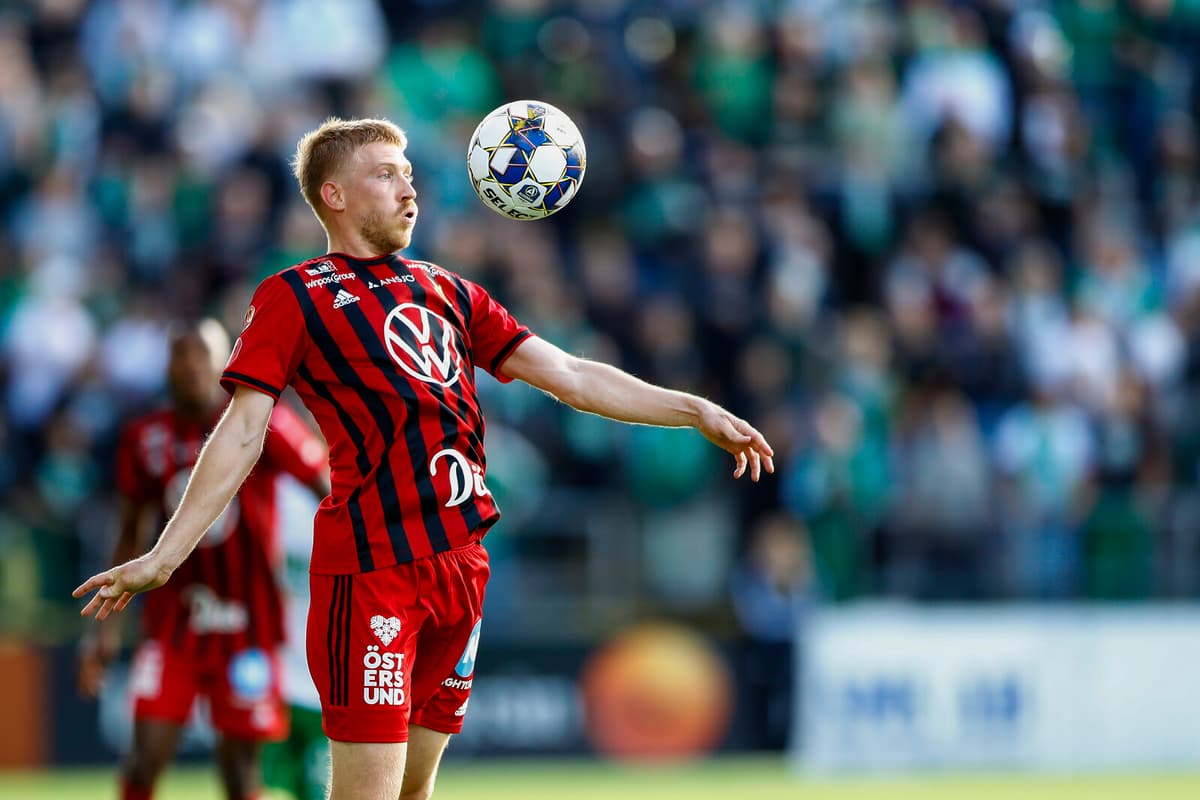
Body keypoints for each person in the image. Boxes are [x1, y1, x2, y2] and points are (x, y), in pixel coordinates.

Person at [75, 116, 775, 800]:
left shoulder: (447, 289)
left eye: (409, 175)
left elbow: (571, 375)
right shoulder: (295, 295)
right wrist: (166, 555)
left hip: (461, 569)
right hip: (373, 572)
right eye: (386, 175)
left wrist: (693, 409)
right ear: (334, 195)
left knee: (415, 791)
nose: (410, 190)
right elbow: (241, 430)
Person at [76, 319, 330, 800]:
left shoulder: (263, 423)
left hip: (247, 629)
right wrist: (103, 631)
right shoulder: (146, 438)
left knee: (241, 775)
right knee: (143, 759)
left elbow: (326, 486)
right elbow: (130, 531)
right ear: (167, 366)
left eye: (202, 354)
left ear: (223, 363)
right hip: (175, 625)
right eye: (182, 354)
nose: (192, 365)